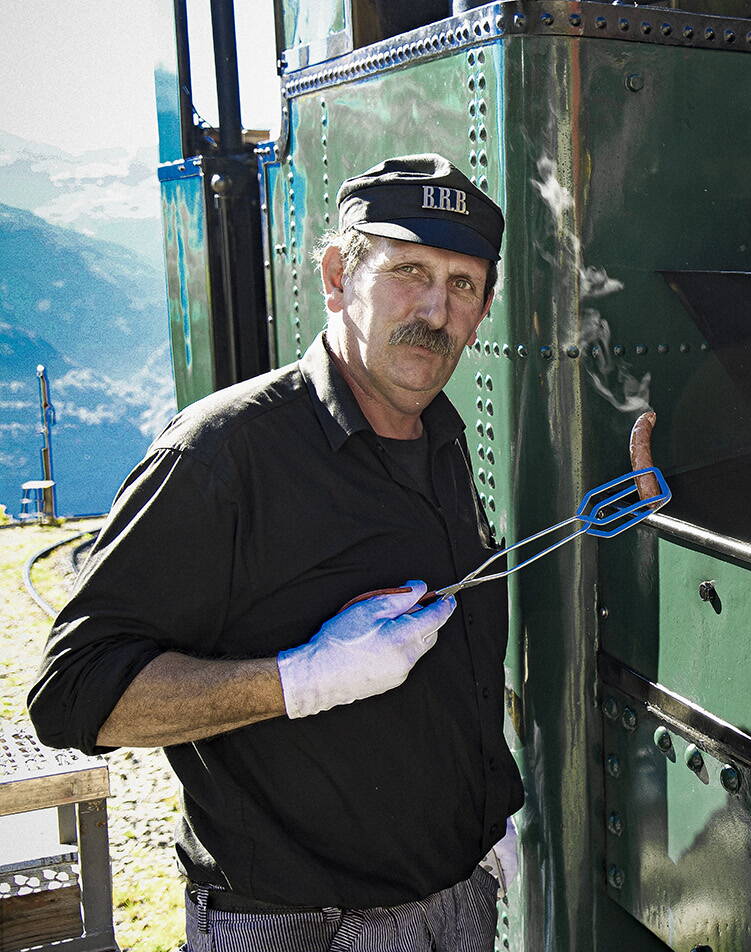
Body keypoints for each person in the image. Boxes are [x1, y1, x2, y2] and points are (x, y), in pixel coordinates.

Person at [29, 155, 524, 950]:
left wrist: (482, 817)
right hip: (297, 928)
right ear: (337, 275)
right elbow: (75, 695)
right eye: (408, 270)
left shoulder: (440, 439)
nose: (434, 309)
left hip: (456, 902)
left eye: (462, 284)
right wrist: (300, 679)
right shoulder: (225, 454)